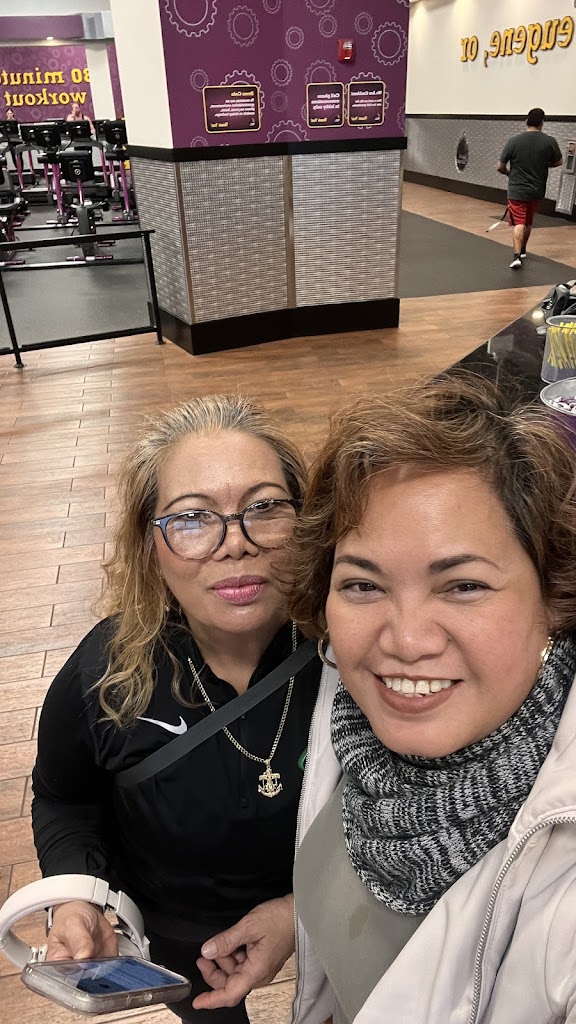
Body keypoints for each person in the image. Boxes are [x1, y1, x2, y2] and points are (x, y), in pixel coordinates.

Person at [281, 371, 576, 1024]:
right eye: (363, 585)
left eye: (463, 586)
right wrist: (295, 919)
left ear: (555, 598)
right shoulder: (352, 719)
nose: (406, 641)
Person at [31, 394, 326, 1024]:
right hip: (179, 930)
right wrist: (78, 895)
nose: (235, 543)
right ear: (150, 545)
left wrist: (306, 908)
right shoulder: (106, 673)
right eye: (192, 518)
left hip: (337, 903)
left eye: (265, 508)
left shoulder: (351, 650)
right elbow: (64, 799)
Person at [497, 107, 563, 269]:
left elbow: (500, 166)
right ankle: (523, 250)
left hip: (517, 189)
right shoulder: (549, 141)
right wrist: (544, 164)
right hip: (536, 189)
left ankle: (516, 256)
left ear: (526, 121)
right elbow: (559, 162)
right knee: (528, 221)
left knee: (518, 222)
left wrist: (509, 173)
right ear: (542, 123)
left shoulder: (513, 141)